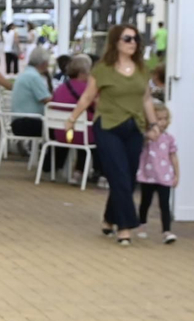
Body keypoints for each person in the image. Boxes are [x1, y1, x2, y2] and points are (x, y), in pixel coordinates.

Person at [63, 24, 158, 244]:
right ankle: (125, 226)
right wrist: (71, 120)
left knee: (127, 177)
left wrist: (153, 124)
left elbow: (146, 99)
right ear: (116, 42)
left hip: (134, 127)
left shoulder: (142, 69)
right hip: (108, 126)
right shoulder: (102, 69)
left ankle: (109, 218)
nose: (132, 42)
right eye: (127, 39)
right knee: (118, 174)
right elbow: (87, 98)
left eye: (135, 39)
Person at [137, 104, 179, 244]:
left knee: (164, 204)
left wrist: (176, 174)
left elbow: (173, 156)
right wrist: (147, 136)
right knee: (145, 202)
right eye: (159, 119)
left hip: (164, 176)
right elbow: (139, 145)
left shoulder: (169, 138)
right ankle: (141, 224)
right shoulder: (146, 137)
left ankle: (167, 230)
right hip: (148, 176)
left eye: (165, 119)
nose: (162, 122)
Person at [50, 53, 94, 177]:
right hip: (82, 135)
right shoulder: (89, 90)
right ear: (84, 71)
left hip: (61, 132)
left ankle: (73, 170)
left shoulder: (60, 88)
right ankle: (98, 173)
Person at [8, 48, 52, 139]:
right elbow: (48, 100)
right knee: (60, 130)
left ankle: (45, 152)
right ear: (44, 63)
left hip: (18, 121)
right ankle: (49, 153)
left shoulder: (26, 73)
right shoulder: (33, 77)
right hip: (26, 123)